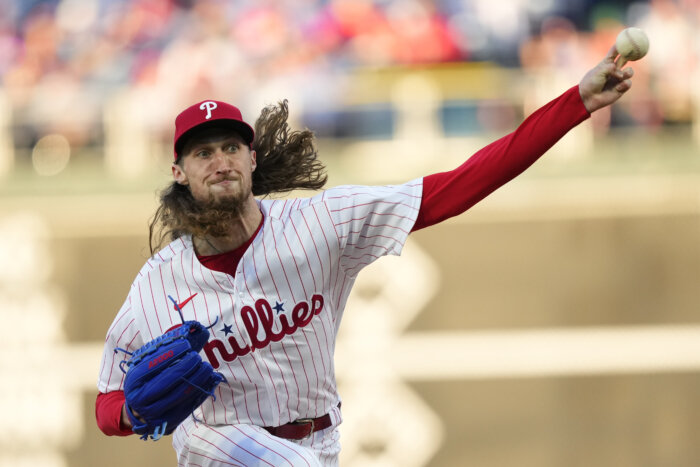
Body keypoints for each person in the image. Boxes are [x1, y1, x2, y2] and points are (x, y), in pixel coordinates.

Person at [96, 44, 635, 466]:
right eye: (202, 152)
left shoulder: (320, 224)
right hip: (214, 447)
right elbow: (106, 405)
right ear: (179, 173)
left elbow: (458, 186)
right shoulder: (157, 284)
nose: (219, 161)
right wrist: (133, 412)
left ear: (252, 157)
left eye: (231, 146)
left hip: (321, 440)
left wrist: (577, 104)